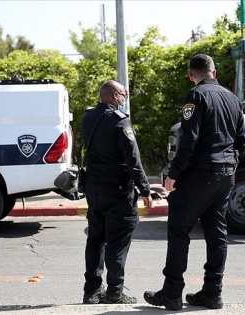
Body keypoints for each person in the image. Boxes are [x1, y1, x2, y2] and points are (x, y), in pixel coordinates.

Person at [144, 54, 245, 311]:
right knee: (217, 234)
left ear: (192, 75)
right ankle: (212, 293)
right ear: (214, 72)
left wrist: (174, 173)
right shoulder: (233, 98)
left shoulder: (196, 96)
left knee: (179, 231)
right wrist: (229, 163)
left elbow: (188, 139)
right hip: (225, 176)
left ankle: (172, 293)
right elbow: (242, 140)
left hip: (199, 176)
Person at [82, 80, 152, 305]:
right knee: (117, 242)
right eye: (124, 93)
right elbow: (133, 161)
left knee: (95, 240)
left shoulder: (88, 117)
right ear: (114, 96)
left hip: (93, 189)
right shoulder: (121, 122)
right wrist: (145, 189)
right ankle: (114, 292)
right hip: (117, 191)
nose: (126, 97)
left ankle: (91, 291)